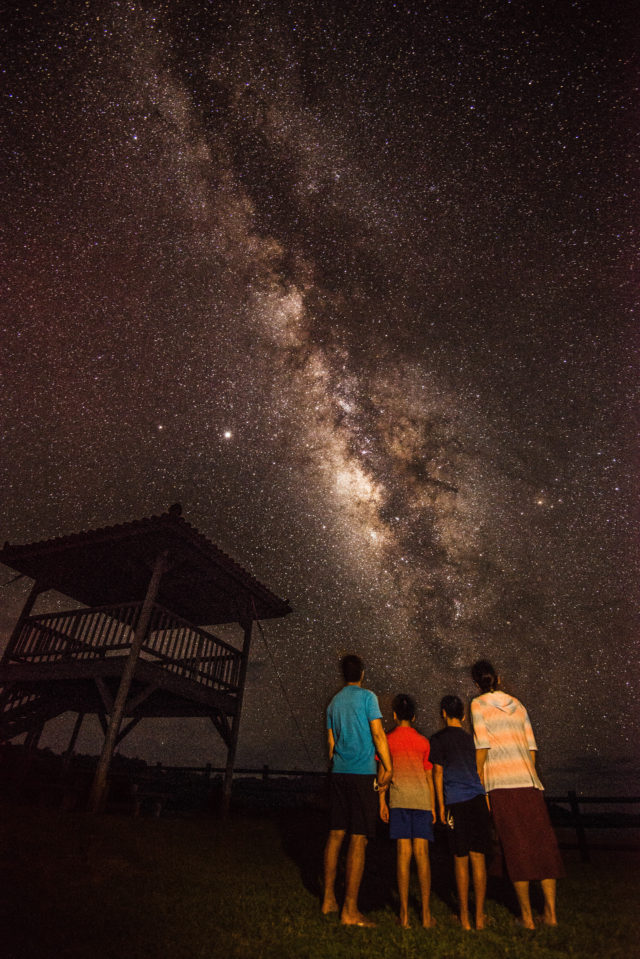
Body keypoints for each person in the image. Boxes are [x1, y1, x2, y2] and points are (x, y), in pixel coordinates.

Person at [470, 659, 564, 929]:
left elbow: (482, 746)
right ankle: (551, 914)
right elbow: (532, 747)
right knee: (542, 847)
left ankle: (526, 918)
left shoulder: (477, 705)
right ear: (497, 679)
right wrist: (528, 774)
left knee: (515, 849)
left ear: (477, 683)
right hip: (528, 783)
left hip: (500, 784)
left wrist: (479, 782)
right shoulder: (519, 705)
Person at [322, 654, 393, 926]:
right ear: (362, 673)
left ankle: (329, 900)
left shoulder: (333, 703)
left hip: (339, 773)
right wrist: (389, 765)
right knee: (358, 838)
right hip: (362, 774)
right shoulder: (368, 698)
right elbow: (377, 734)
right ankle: (350, 910)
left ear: (343, 674)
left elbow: (330, 746)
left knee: (335, 834)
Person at [430, 694, 492, 930]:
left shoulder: (438, 739)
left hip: (456, 802)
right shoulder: (471, 739)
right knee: (479, 858)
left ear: (443, 714)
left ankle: (465, 918)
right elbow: (479, 770)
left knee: (460, 858)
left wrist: (440, 807)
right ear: (463, 715)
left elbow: (437, 774)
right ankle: (479, 918)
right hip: (477, 800)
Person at [378, 694, 436, 929]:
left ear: (394, 715)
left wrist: (382, 801)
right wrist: (432, 805)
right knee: (422, 856)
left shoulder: (388, 740)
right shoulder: (424, 742)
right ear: (414, 716)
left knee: (403, 855)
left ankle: (403, 916)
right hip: (421, 800)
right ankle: (425, 914)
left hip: (399, 800)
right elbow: (429, 776)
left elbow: (382, 773)